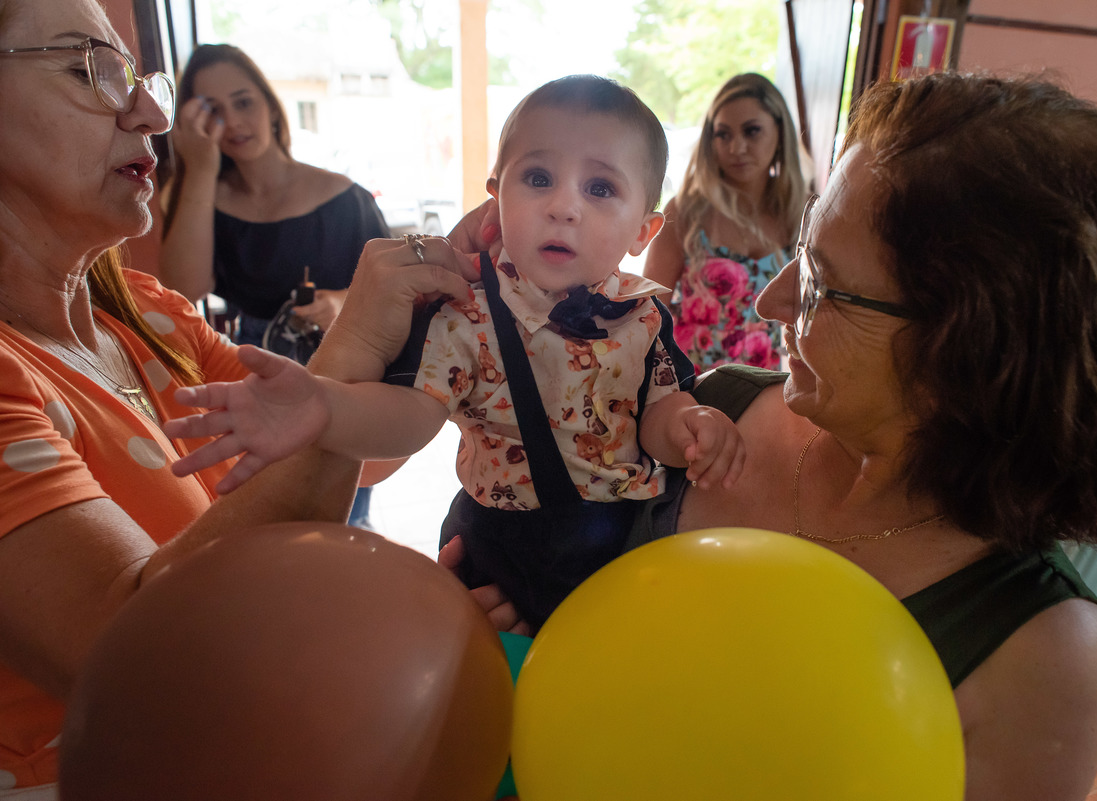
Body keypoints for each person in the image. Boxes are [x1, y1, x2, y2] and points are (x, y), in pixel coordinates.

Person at [464, 73, 1097, 800]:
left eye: (822, 283)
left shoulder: (1039, 646)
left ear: (972, 350)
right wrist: (491, 621)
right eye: (801, 251)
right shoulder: (702, 416)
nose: (769, 299)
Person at [0, 0, 483, 792]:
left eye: (137, 75)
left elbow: (329, 466)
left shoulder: (152, 316)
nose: (153, 112)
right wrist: (356, 344)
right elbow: (125, 649)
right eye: (87, 67)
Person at [166, 75, 746, 631]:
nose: (563, 206)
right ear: (495, 200)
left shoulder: (643, 317)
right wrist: (326, 408)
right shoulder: (466, 313)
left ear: (644, 231)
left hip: (622, 547)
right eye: (538, 177)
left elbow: (654, 418)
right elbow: (411, 419)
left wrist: (691, 427)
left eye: (600, 188)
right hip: (501, 552)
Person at [159, 43, 388, 528]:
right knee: (266, 518)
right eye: (213, 111)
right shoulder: (203, 198)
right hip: (249, 374)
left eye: (244, 102)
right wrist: (198, 169)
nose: (235, 121)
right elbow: (183, 287)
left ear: (270, 106)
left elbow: (396, 294)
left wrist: (339, 302)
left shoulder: (345, 198)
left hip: (339, 371)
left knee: (338, 516)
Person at [643, 72, 809, 372]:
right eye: (723, 134)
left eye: (752, 131)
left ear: (780, 131)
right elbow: (650, 313)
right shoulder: (687, 211)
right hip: (687, 389)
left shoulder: (802, 212)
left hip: (762, 390)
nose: (736, 148)